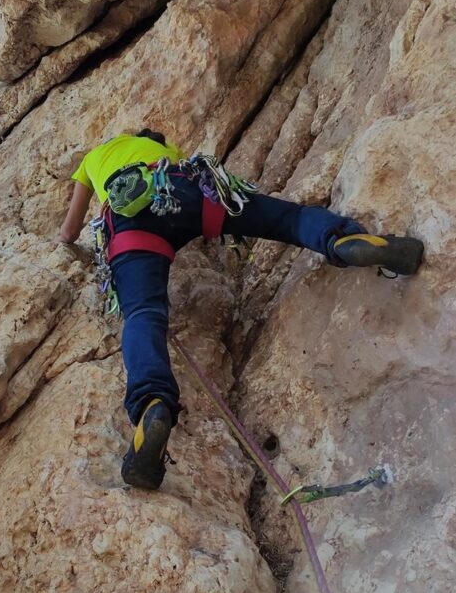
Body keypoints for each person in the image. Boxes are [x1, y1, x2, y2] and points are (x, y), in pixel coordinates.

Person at [59, 128, 424, 491]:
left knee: (143, 315)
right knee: (288, 220)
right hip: (182, 187)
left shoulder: (92, 158)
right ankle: (345, 239)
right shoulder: (163, 147)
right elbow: (181, 177)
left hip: (129, 223)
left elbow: (68, 232)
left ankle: (152, 405)